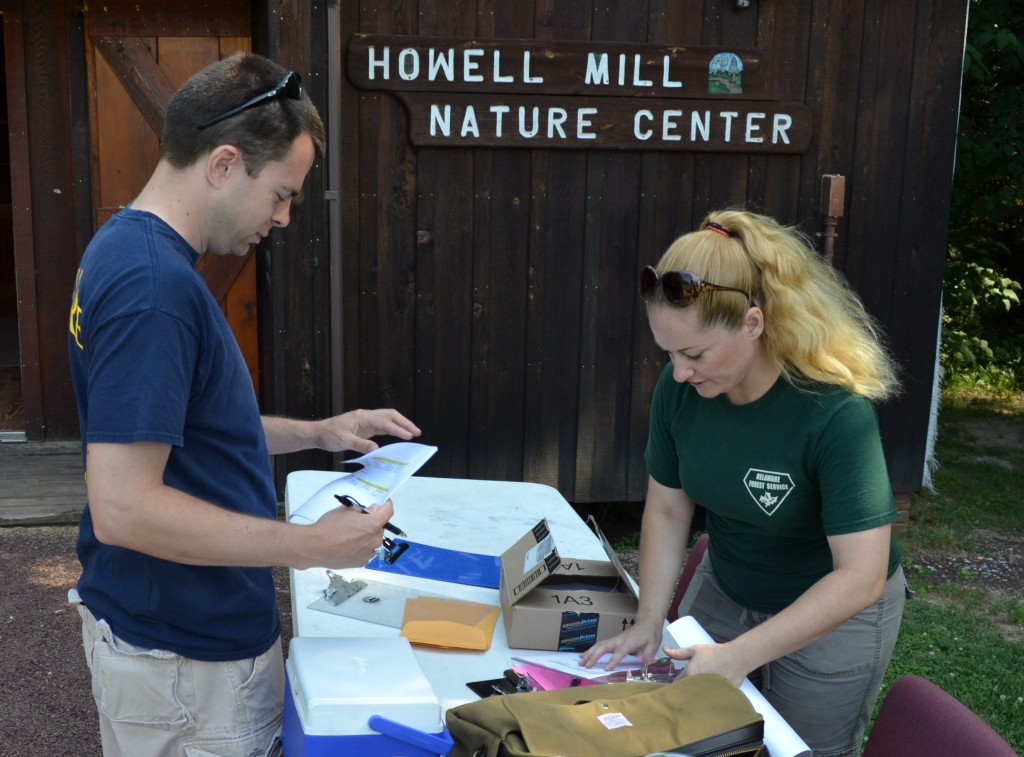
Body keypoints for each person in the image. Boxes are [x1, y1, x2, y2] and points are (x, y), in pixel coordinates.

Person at [67, 52, 421, 757]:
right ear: (224, 165)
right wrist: (309, 547)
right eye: (282, 193)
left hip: (173, 645)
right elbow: (123, 506)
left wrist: (321, 430)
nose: (285, 217)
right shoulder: (154, 288)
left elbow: (184, 427)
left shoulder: (127, 248)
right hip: (186, 663)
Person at [580, 209, 908, 756]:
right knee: (699, 737)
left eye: (695, 353)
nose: (680, 372)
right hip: (729, 584)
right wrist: (650, 619)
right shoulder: (682, 389)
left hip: (832, 611)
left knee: (798, 749)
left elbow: (861, 577)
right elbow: (666, 509)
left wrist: (739, 654)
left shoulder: (834, 412)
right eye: (669, 353)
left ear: (753, 323)